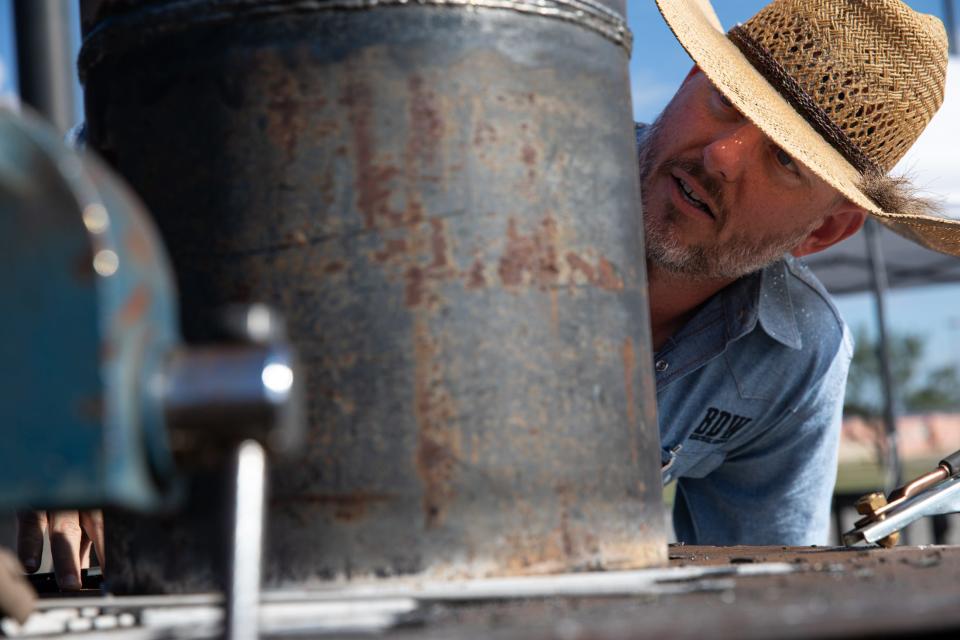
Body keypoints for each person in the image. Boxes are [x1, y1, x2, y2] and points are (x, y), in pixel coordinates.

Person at [644, 0, 960, 545]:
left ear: (824, 233)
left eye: (786, 159)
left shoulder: (796, 354)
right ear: (691, 77)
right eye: (724, 99)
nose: (723, 155)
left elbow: (764, 581)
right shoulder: (491, 176)